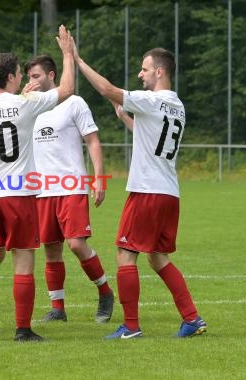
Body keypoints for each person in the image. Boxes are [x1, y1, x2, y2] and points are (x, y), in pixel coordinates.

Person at [70, 39, 207, 339]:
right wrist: (125, 117)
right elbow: (151, 135)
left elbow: (107, 89)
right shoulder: (177, 105)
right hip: (169, 192)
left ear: (160, 71)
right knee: (157, 257)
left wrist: (78, 61)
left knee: (124, 253)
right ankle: (192, 318)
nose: (140, 75)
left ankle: (131, 326)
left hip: (147, 191)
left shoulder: (153, 100)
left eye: (144, 70)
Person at [0, 24, 75, 342]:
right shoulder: (25, 104)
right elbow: (66, 90)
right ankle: (23, 329)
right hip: (18, 193)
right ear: (9, 76)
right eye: (20, 73)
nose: (22, 77)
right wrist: (67, 54)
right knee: (23, 258)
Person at [24, 55, 114, 323]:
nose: (32, 82)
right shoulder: (29, 107)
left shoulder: (74, 103)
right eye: (29, 77)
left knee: (76, 244)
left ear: (52, 75)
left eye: (36, 76)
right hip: (41, 190)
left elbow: (93, 141)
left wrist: (99, 178)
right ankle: (58, 308)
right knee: (51, 250)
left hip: (71, 185)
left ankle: (105, 292)